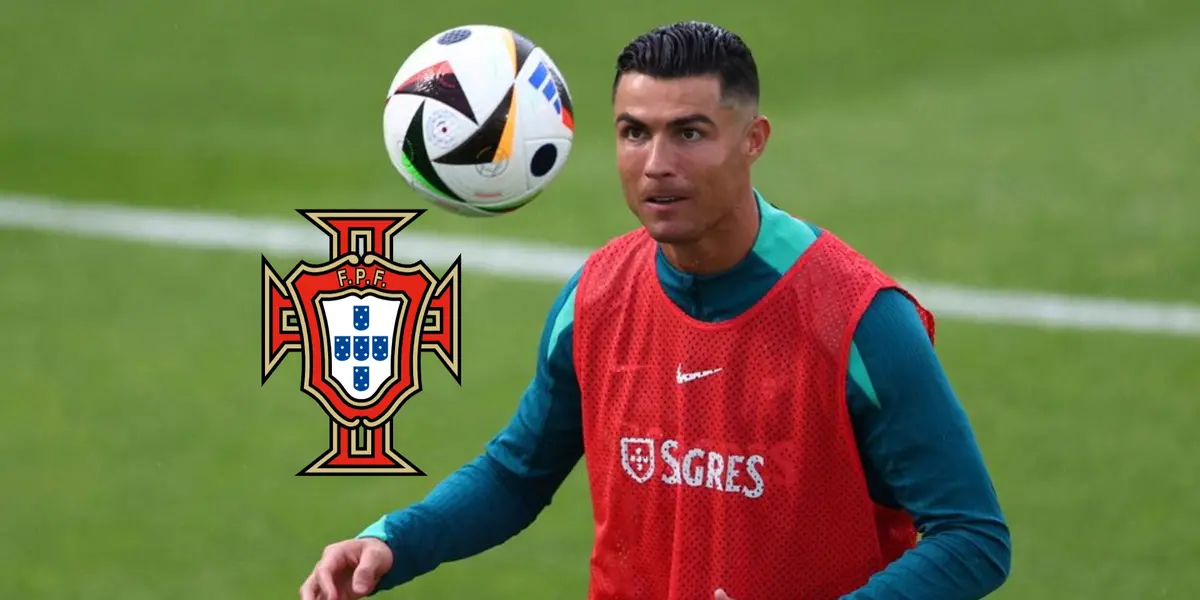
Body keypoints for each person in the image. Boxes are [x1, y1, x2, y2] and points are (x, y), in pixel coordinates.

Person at [300, 20, 1012, 600]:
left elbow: (971, 538)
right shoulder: (598, 296)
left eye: (690, 133)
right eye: (635, 132)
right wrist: (394, 540)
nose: (655, 163)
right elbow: (518, 473)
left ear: (752, 140)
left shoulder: (857, 318)